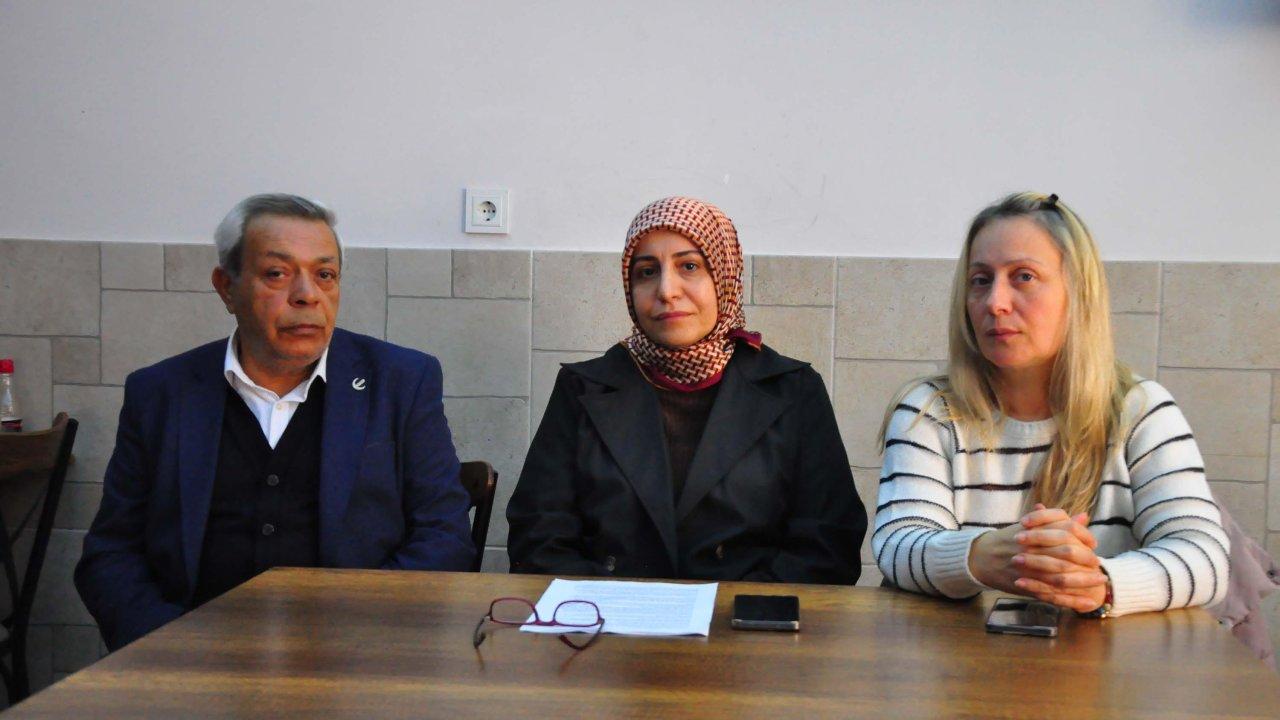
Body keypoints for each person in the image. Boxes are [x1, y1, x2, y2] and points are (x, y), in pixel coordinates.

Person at [76, 193, 474, 650]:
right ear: (227, 287)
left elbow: (444, 537)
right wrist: (172, 647)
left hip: (353, 654)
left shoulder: (400, 381)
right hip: (192, 657)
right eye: (277, 274)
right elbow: (112, 553)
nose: (307, 295)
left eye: (325, 275)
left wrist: (351, 639)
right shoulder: (162, 393)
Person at [874, 191, 1228, 616]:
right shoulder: (930, 410)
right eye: (980, 280)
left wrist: (1098, 583)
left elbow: (1206, 558)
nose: (995, 303)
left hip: (1103, 657)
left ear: (1078, 293)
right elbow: (897, 544)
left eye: (1023, 276)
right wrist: (978, 555)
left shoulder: (1140, 410)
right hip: (957, 655)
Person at [507, 196, 865, 583]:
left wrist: (734, 609)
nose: (666, 290)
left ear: (724, 276)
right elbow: (539, 537)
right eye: (647, 272)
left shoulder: (792, 391)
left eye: (689, 266)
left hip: (745, 616)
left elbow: (827, 546)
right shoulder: (583, 389)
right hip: (609, 615)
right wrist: (619, 607)